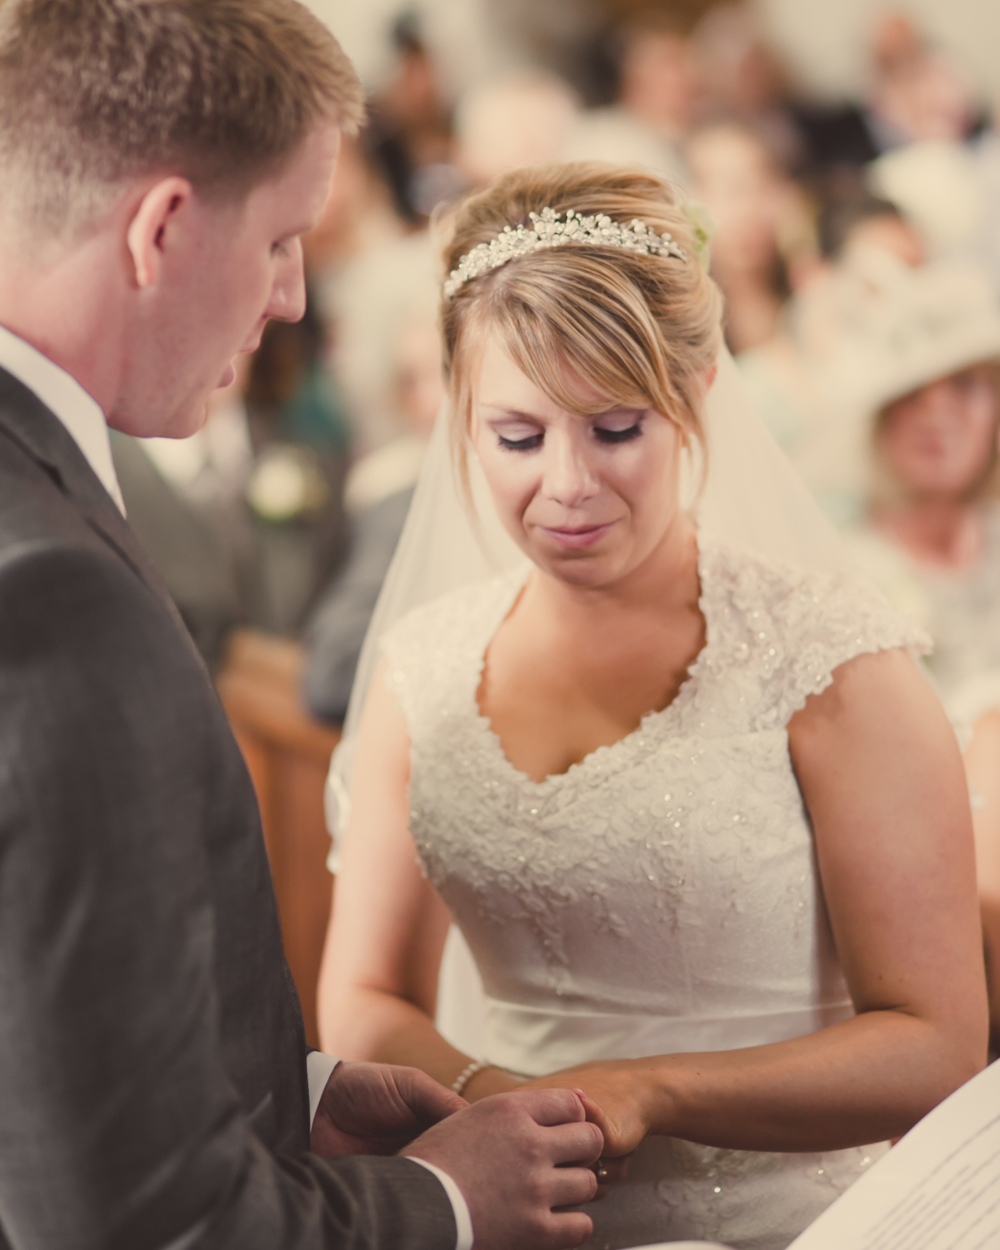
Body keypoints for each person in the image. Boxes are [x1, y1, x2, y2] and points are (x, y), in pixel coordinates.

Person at [0, 3, 607, 1248]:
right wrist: (447, 1196)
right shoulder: (50, 594)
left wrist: (296, 1087)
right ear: (161, 228)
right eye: (281, 239)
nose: (288, 299)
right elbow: (134, 1222)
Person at [317, 162, 988, 1250]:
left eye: (616, 427)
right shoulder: (422, 666)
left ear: (698, 388)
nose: (569, 485)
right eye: (518, 436)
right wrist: (503, 1099)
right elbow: (360, 991)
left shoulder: (828, 662)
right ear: (459, 417)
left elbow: (934, 1039)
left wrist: (648, 1089)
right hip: (511, 1206)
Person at [834, 263, 1000, 1052]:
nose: (939, 418)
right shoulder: (841, 568)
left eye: (965, 389)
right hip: (930, 869)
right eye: (912, 396)